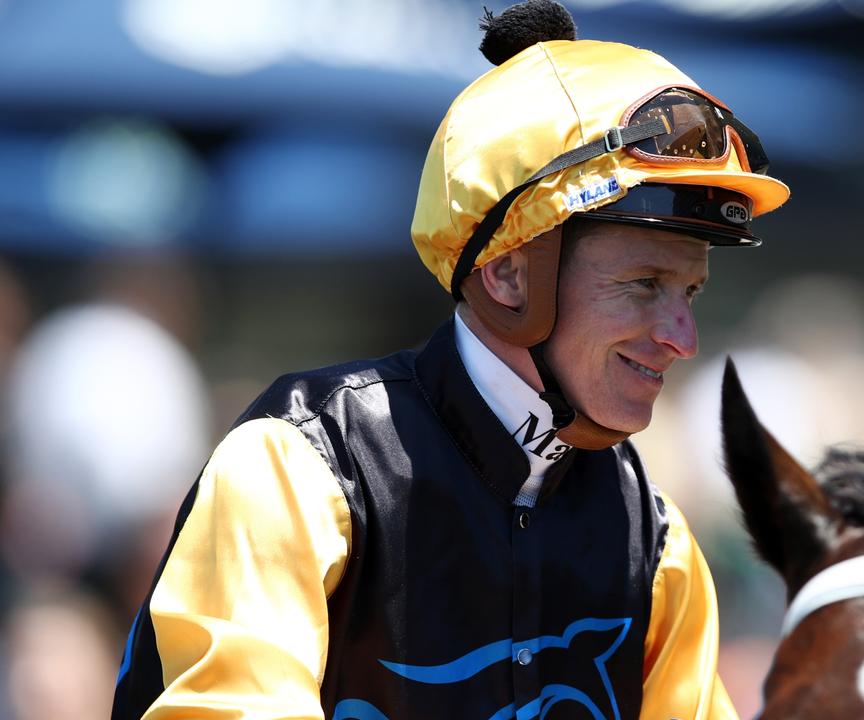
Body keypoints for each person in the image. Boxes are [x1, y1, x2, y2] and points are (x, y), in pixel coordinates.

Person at [110, 1, 789, 718]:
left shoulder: (656, 547)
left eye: (688, 292)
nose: (682, 336)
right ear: (508, 275)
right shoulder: (298, 470)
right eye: (644, 285)